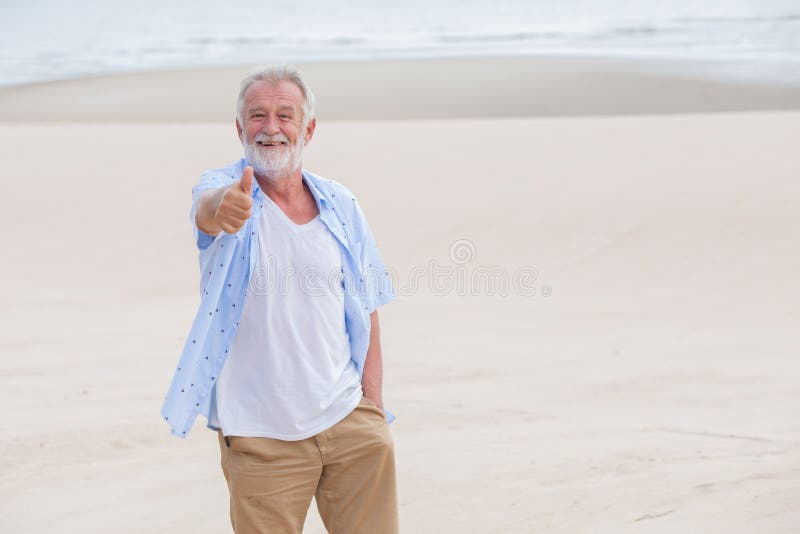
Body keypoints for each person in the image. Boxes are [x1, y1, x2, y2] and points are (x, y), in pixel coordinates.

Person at [160, 65, 398, 533]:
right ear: (239, 128)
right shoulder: (224, 191)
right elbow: (208, 212)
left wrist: (372, 410)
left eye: (285, 115)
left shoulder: (341, 204)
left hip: (349, 422)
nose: (271, 128)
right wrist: (225, 208)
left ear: (308, 128)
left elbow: (367, 305)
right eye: (257, 115)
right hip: (260, 437)